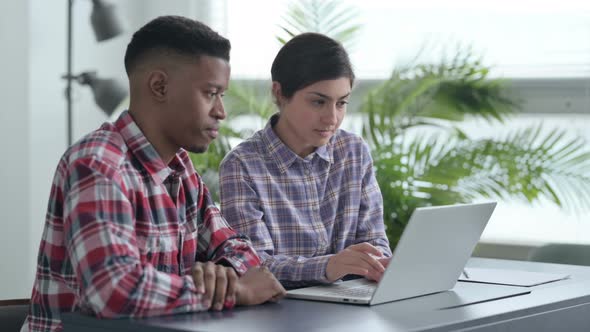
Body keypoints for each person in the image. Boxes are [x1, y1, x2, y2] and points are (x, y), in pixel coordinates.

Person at [21, 15, 285, 332]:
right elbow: (114, 291)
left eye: (222, 96)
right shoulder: (98, 165)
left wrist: (222, 277)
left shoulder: (182, 169)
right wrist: (237, 291)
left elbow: (241, 251)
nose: (221, 112)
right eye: (210, 93)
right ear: (159, 86)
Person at [219, 33, 392, 288]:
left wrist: (379, 263)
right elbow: (253, 266)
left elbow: (376, 241)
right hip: (282, 315)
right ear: (279, 93)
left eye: (341, 103)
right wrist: (328, 266)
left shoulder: (353, 152)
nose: (331, 118)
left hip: (352, 305)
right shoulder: (242, 166)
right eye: (318, 102)